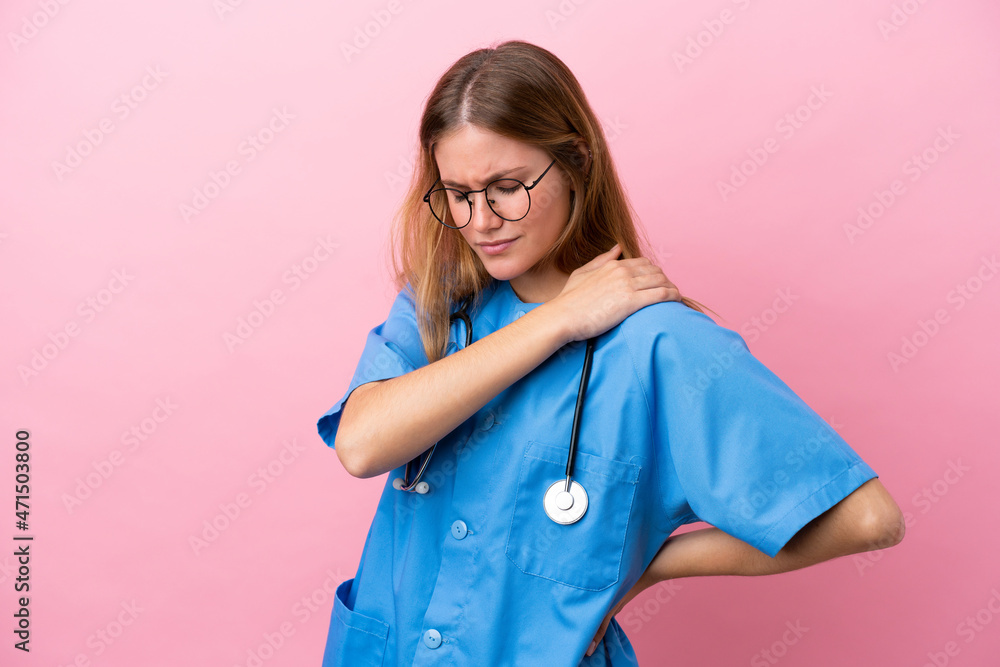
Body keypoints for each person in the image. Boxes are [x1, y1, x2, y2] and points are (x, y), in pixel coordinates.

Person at [316, 40, 904, 666]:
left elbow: (869, 518)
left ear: (576, 163)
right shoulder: (438, 304)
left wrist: (653, 566)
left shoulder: (659, 344)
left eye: (507, 188)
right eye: (457, 193)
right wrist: (559, 321)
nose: (480, 220)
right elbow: (362, 444)